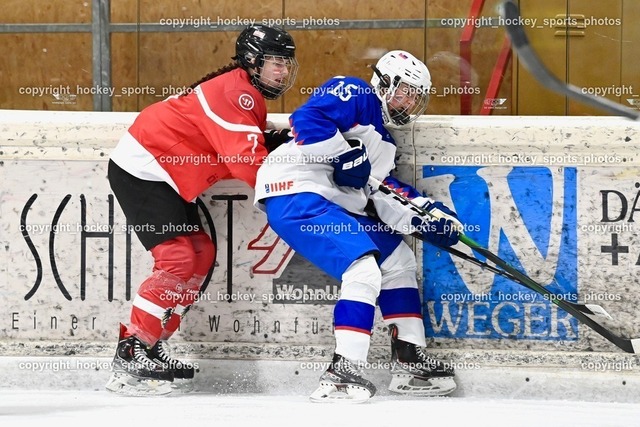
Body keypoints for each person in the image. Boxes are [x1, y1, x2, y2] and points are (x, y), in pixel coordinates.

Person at [254, 50, 461, 402]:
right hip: (295, 192)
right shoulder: (355, 93)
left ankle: (408, 357)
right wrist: (343, 154)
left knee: (399, 262)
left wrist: (428, 217)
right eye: (404, 91)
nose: (408, 102)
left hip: (332, 205)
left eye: (415, 96)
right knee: (363, 268)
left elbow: (380, 193)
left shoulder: (385, 145)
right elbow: (307, 118)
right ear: (383, 84)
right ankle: (342, 370)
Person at [105, 24, 299, 396]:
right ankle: (131, 349)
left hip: (166, 173)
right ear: (253, 61)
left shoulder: (246, 93)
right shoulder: (236, 92)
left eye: (287, 64)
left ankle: (151, 344)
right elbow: (246, 163)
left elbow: (252, 142)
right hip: (144, 168)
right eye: (276, 62)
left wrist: (291, 140)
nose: (283, 71)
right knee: (177, 258)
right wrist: (294, 194)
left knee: (201, 252)